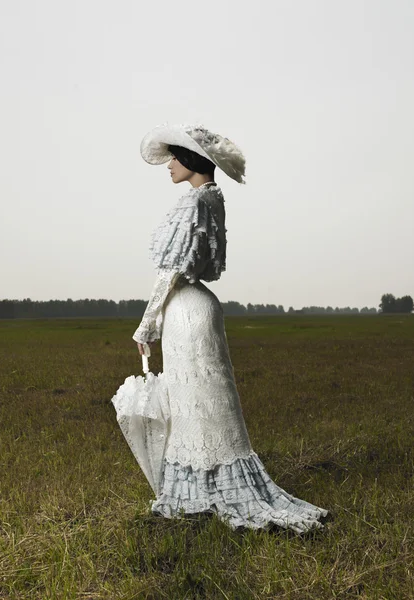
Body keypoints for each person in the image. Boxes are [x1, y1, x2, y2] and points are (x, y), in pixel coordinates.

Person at [130, 123, 328, 532]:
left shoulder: (192, 205)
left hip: (184, 308)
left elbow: (170, 272)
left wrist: (145, 326)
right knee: (208, 401)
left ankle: (203, 490)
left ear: (190, 160)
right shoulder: (213, 199)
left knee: (198, 402)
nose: (168, 164)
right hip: (202, 306)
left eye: (174, 156)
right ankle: (212, 484)